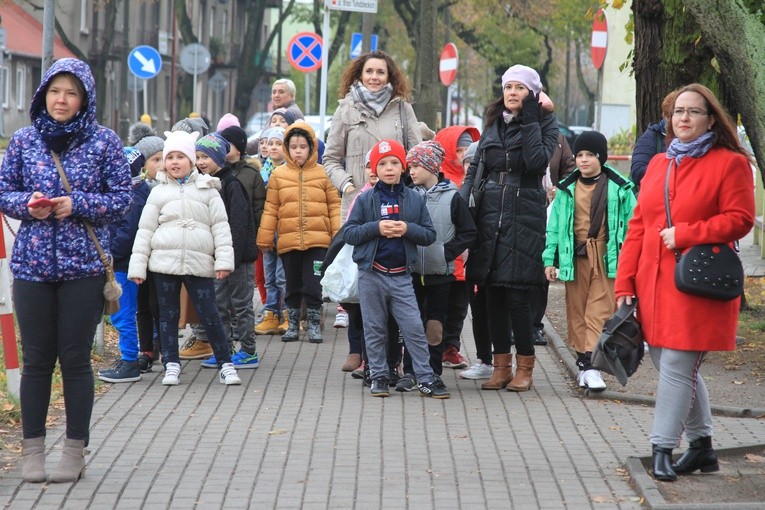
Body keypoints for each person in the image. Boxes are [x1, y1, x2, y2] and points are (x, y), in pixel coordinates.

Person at [0, 58, 132, 483]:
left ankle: (74, 450)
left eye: (71, 93)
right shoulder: (23, 140)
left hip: (83, 268)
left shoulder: (105, 142)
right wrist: (29, 205)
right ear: (43, 95)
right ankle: (32, 449)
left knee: (75, 360)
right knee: (37, 360)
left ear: (85, 99)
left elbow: (122, 200)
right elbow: (5, 191)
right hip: (32, 267)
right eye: (55, 91)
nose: (61, 100)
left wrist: (78, 205)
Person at [615, 83, 755, 482]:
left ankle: (662, 447)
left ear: (711, 118)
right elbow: (638, 227)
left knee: (678, 365)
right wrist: (625, 282)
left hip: (697, 284)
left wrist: (687, 233)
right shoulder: (660, 163)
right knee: (673, 367)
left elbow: (740, 219)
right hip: (652, 284)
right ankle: (702, 447)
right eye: (678, 112)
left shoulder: (730, 163)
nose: (684, 119)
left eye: (694, 112)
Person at [459, 64, 559, 391]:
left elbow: (535, 162)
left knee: (517, 295)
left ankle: (525, 367)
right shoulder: (493, 122)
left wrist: (531, 116)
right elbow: (478, 167)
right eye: (508, 87)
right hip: (490, 212)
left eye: (519, 88)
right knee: (492, 297)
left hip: (524, 212)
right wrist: (462, 204)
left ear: (532, 92)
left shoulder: (544, 122)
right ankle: (500, 366)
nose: (512, 93)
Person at [128, 130, 242, 387]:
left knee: (209, 313)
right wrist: (138, 266)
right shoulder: (157, 192)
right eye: (170, 157)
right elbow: (145, 230)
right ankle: (171, 363)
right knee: (167, 316)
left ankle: (225, 363)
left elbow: (221, 228)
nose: (175, 162)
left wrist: (224, 261)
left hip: (198, 263)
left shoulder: (208, 189)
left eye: (181, 156)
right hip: (163, 264)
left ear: (192, 161)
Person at [343, 139, 449, 399]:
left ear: (403, 167)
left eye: (394, 163)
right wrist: (376, 228)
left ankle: (425, 377)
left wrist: (407, 229)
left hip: (402, 276)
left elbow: (428, 234)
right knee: (375, 327)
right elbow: (349, 233)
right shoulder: (366, 199)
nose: (389, 168)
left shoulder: (413, 198)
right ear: (374, 169)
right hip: (371, 274)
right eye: (382, 164)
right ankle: (378, 376)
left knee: (413, 327)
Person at [543, 131, 636, 391]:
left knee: (599, 311)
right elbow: (555, 227)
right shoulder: (566, 189)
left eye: (590, 155)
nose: (584, 160)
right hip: (576, 257)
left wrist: (631, 264)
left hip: (607, 259)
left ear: (601, 157)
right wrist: (550, 259)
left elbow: (633, 228)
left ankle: (593, 368)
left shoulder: (620, 188)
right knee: (578, 311)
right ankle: (584, 365)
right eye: (580, 155)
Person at [256, 122, 341, 343]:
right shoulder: (278, 175)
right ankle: (292, 324)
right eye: (293, 147)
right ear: (287, 148)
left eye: (303, 146)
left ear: (311, 148)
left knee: (313, 285)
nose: (298, 151)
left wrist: (338, 236)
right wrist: (265, 237)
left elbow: (334, 206)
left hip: (318, 242)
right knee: (292, 285)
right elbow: (271, 208)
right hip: (288, 240)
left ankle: (313, 324)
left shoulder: (324, 174)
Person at [404, 140, 477, 383]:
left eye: (416, 165)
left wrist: (447, 251)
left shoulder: (452, 197)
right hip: (411, 272)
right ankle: (410, 371)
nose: (411, 170)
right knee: (412, 323)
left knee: (435, 325)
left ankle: (432, 372)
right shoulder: (407, 195)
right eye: (409, 165)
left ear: (431, 166)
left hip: (440, 274)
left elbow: (468, 231)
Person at [323, 50, 422, 221]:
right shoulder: (345, 109)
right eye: (369, 71)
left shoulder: (402, 108)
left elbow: (416, 155)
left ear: (389, 76)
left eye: (380, 72)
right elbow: (330, 159)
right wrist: (347, 185)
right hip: (357, 201)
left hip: (396, 200)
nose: (374, 77)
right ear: (360, 75)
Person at [192, 133, 260, 368]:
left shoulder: (232, 185)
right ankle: (224, 349)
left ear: (220, 157)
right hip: (216, 258)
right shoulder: (203, 184)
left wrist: (231, 257)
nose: (201, 162)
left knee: (241, 305)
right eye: (198, 157)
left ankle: (249, 351)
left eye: (206, 157)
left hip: (237, 259)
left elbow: (239, 225)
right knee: (219, 304)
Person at [97, 147, 153, 383]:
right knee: (124, 312)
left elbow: (127, 234)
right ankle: (129, 357)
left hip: (123, 264)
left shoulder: (133, 196)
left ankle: (130, 361)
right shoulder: (134, 191)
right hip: (122, 262)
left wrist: (107, 255)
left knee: (123, 313)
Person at [434, 125, 480, 369]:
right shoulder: (438, 180)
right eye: (458, 149)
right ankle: (435, 347)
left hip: (466, 260)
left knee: (458, 309)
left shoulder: (476, 178)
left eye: (467, 150)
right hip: (443, 259)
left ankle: (451, 347)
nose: (463, 155)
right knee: (437, 307)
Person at [128, 123, 166, 371]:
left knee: (159, 305)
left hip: (162, 256)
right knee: (142, 306)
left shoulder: (168, 188)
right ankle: (147, 350)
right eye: (155, 159)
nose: (161, 164)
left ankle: (165, 347)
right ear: (143, 165)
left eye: (165, 157)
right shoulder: (137, 190)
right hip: (140, 256)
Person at [254, 127, 289, 336]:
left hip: (284, 230)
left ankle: (286, 313)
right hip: (267, 230)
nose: (272, 147)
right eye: (269, 143)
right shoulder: (262, 171)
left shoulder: (289, 172)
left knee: (282, 275)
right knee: (269, 276)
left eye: (278, 143)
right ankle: (271, 313)